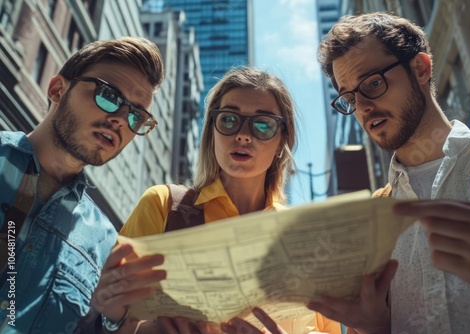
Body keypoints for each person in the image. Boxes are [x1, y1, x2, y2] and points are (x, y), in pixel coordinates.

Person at [91, 67, 342, 333]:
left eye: (263, 124)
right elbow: (106, 321)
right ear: (212, 130)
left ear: (282, 141)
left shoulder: (307, 239)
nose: (243, 135)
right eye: (229, 120)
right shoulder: (164, 206)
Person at [308, 11, 470, 334]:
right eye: (350, 98)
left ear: (421, 69)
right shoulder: (374, 223)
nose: (363, 107)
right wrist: (377, 327)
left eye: (372, 83)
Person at [0, 36, 164, 333]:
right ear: (58, 90)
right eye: (109, 96)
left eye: (136, 116)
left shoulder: (104, 245)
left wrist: (111, 316)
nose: (120, 120)